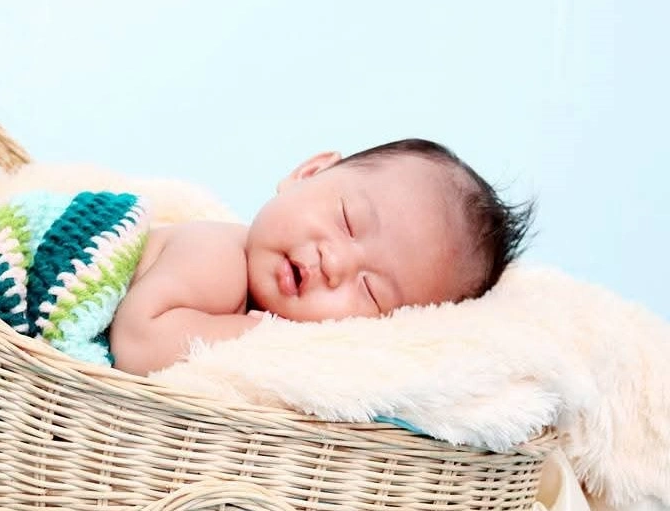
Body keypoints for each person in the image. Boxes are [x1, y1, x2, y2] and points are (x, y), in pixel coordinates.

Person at [109, 138, 534, 375]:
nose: (335, 264)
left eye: (370, 290)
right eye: (348, 221)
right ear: (307, 174)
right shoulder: (217, 257)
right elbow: (136, 344)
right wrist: (266, 335)